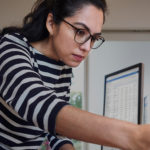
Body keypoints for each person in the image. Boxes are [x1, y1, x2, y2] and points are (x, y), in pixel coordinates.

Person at [0, 0, 150, 150]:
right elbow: (36, 103)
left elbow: (55, 130)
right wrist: (134, 137)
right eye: (80, 32)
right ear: (51, 23)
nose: (86, 47)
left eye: (93, 38)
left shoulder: (62, 65)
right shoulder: (11, 46)